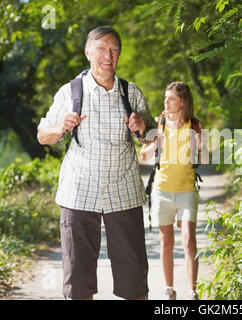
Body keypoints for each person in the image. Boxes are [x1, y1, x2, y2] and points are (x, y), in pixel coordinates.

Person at [37, 26, 157, 300]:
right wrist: (60, 128)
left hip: (123, 191)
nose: (108, 55)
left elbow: (151, 139)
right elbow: (43, 135)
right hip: (79, 192)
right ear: (88, 52)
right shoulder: (70, 92)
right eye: (101, 48)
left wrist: (143, 129)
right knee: (78, 284)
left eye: (114, 49)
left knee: (134, 281)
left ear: (119, 55)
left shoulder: (131, 92)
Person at [140, 82, 205, 300]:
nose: (165, 102)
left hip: (187, 190)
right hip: (162, 190)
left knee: (189, 239)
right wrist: (156, 144)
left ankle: (193, 291)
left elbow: (202, 159)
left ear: (182, 102)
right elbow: (144, 154)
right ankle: (169, 289)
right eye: (165, 98)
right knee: (166, 242)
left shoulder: (195, 125)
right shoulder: (161, 122)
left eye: (170, 99)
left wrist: (199, 147)